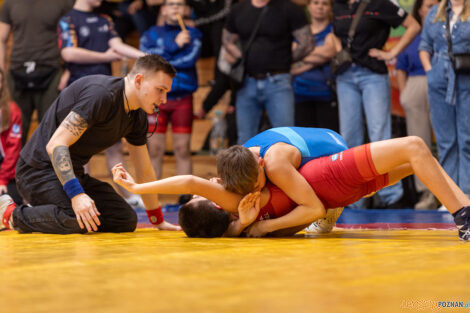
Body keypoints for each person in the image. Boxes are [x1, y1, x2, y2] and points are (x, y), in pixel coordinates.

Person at [111, 136, 470, 241]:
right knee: (415, 152)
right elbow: (191, 183)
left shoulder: (266, 170)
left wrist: (139, 184)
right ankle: (463, 211)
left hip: (332, 175)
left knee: (416, 160)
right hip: (331, 179)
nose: (211, 186)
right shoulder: (245, 200)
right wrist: (254, 225)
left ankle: (463, 205)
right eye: (211, 193)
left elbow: (191, 183)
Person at [0, 55, 180, 234]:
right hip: (37, 172)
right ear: (139, 80)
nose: (164, 99)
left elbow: (144, 171)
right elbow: (56, 145)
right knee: (77, 218)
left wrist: (157, 219)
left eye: (166, 92)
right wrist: (77, 195)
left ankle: (50, 209)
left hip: (73, 173)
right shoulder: (100, 94)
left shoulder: (137, 117)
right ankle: (10, 214)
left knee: (124, 219)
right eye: (160, 90)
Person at [58, 0, 147, 208]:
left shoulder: (104, 19)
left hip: (107, 93)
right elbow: (69, 53)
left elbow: (117, 46)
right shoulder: (68, 19)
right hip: (81, 93)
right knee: (79, 148)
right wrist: (105, 56)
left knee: (114, 145)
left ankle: (129, 195)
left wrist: (145, 57)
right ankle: (81, 195)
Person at [332, 0, 421, 208]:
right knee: (349, 138)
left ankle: (390, 196)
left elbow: (413, 25)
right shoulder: (338, 5)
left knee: (379, 136)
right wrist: (339, 49)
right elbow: (335, 32)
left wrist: (391, 53)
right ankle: (354, 199)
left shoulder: (380, 3)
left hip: (372, 74)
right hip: (345, 75)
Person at [222, 0, 314, 144]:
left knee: (286, 138)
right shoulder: (238, 9)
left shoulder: (289, 8)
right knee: (245, 140)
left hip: (278, 80)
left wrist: (285, 60)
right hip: (247, 81)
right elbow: (227, 40)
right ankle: (248, 167)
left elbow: (307, 43)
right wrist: (242, 59)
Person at [140, 0, 202, 203]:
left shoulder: (193, 34)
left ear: (185, 10)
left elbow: (189, 60)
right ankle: (151, 198)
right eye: (171, 4)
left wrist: (162, 57)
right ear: (163, 8)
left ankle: (185, 198)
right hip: (156, 99)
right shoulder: (150, 33)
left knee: (183, 149)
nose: (175, 7)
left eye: (180, 4)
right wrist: (176, 45)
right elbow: (147, 61)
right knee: (154, 149)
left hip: (183, 97)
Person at [0, 0, 75, 145]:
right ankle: (14, 169)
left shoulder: (64, 2)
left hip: (51, 72)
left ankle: (47, 168)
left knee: (51, 133)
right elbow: (1, 39)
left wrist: (69, 71)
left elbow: (74, 33)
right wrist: (1, 73)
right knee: (13, 134)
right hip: (16, 72)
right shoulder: (10, 2)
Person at [418, 0, 470, 201]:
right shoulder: (434, 12)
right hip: (439, 79)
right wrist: (430, 73)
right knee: (445, 141)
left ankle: (466, 193)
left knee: (467, 139)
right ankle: (450, 197)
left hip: (466, 78)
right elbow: (424, 47)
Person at [396, 0, 438, 210]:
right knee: (419, 143)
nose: (431, 9)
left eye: (436, 5)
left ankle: (457, 192)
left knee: (451, 142)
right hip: (415, 85)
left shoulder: (446, 30)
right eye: (428, 5)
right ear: (419, 10)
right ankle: (427, 196)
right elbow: (400, 66)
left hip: (442, 84)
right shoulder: (412, 35)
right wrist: (405, 95)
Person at [291, 0, 339, 132]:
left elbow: (330, 52)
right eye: (316, 3)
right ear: (308, 6)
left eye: (325, 3)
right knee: (303, 141)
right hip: (300, 93)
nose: (320, 7)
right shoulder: (300, 32)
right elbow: (291, 58)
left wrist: (303, 54)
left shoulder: (334, 28)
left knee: (328, 139)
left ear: (330, 8)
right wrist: (320, 57)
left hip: (327, 93)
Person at [0, 68, 23, 205]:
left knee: (12, 203)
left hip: (7, 172)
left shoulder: (12, 110)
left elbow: (12, 150)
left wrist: (2, 179)